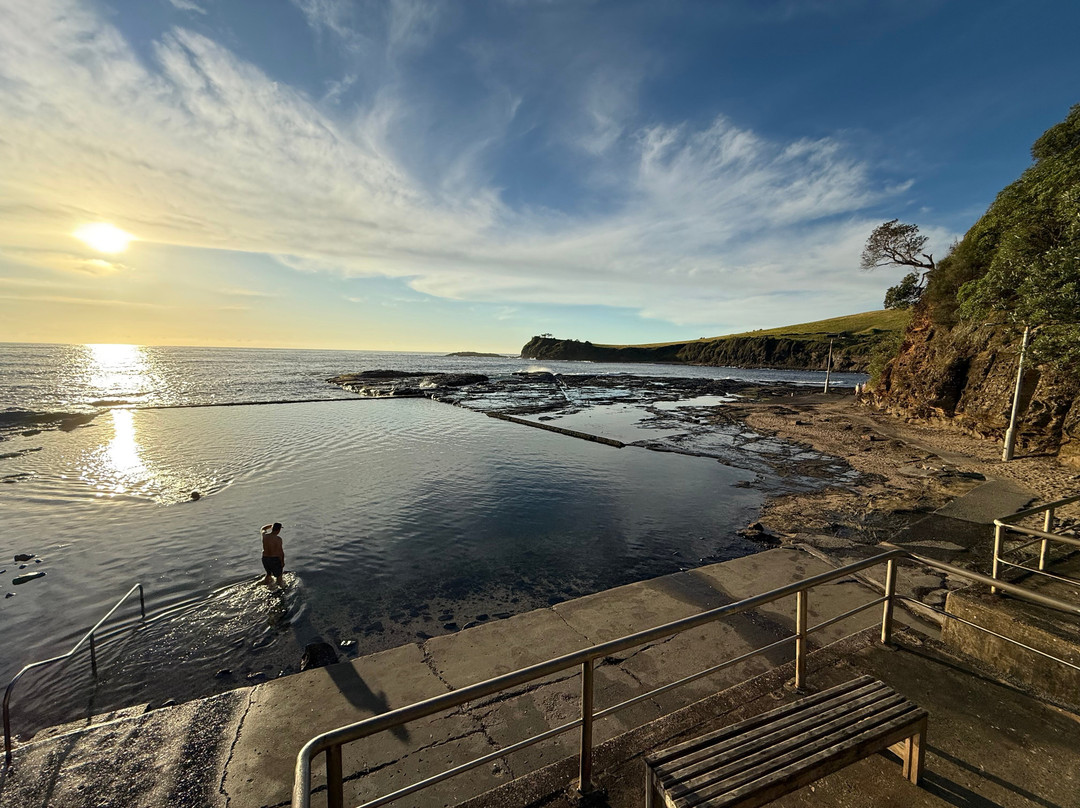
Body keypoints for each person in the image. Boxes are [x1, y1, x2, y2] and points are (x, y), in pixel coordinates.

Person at [260, 522, 286, 588]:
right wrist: (282, 562)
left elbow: (263, 528)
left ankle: (265, 585)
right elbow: (281, 552)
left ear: (272, 528)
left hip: (265, 558)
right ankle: (282, 589)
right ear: (279, 530)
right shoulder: (278, 539)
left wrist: (270, 525)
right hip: (274, 559)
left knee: (268, 574)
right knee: (279, 577)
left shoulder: (265, 535)